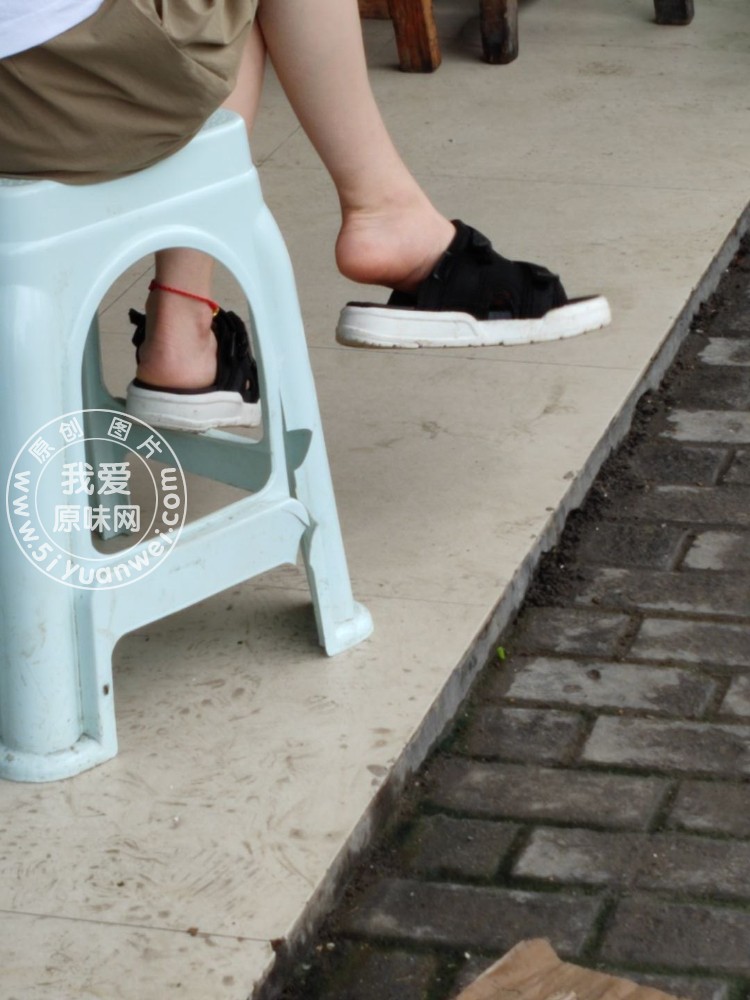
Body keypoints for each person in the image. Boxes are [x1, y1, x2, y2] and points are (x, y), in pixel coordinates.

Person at [0, 0, 610, 430]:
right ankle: (382, 213)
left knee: (222, 20)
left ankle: (182, 330)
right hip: (35, 89)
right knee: (229, 21)